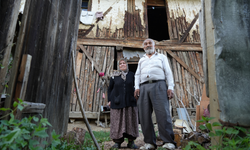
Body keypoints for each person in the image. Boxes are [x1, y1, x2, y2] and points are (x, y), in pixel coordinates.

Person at [134, 38, 176, 150]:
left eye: (150, 43)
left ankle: (168, 141)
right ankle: (150, 143)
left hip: (159, 85)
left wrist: (170, 87)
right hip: (143, 87)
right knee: (144, 115)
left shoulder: (161, 57)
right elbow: (137, 75)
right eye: (146, 44)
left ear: (154, 45)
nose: (148, 45)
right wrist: (137, 87)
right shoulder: (141, 60)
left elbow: (168, 72)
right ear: (143, 47)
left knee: (163, 113)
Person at [108, 58, 139, 149]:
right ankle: (117, 142)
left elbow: (136, 86)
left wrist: (137, 96)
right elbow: (110, 89)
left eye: (124, 63)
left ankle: (131, 142)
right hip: (117, 103)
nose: (122, 65)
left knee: (131, 122)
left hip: (130, 102)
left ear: (127, 65)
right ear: (118, 66)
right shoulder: (114, 76)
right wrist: (110, 100)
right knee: (117, 123)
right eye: (120, 63)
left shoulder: (132, 75)